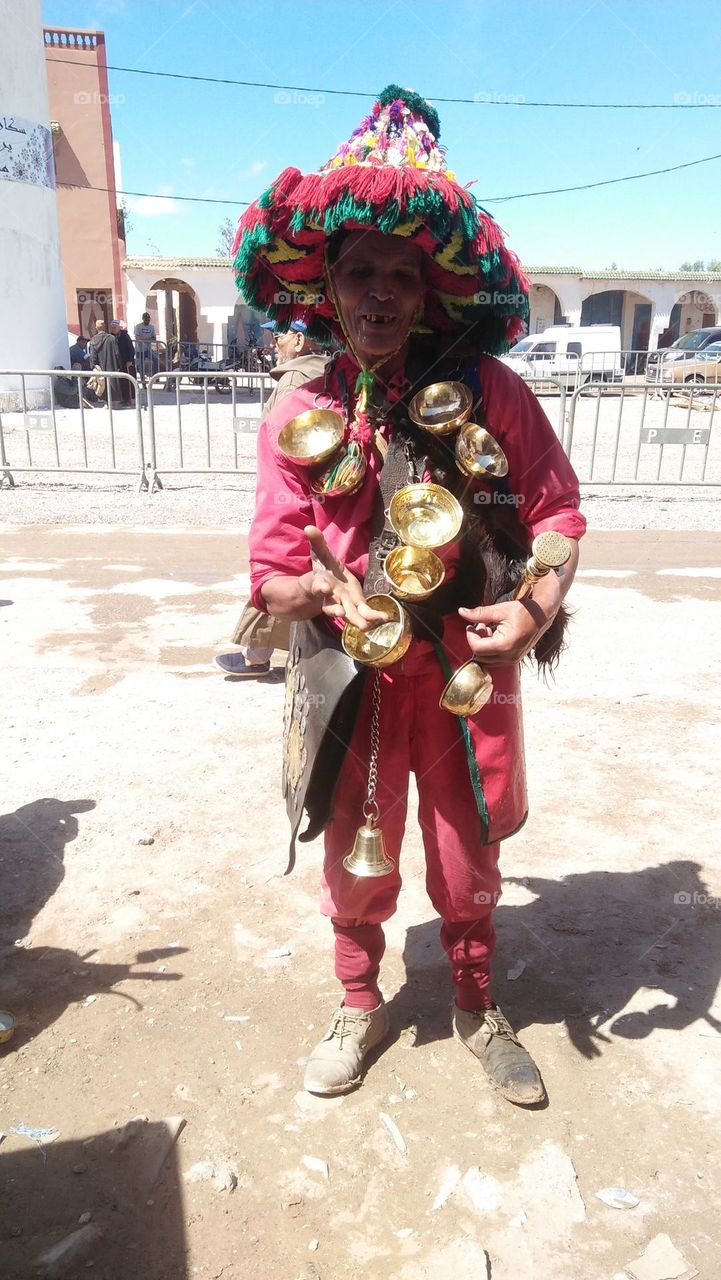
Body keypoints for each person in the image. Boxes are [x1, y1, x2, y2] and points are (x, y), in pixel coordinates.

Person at [234, 85, 586, 1106]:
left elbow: (558, 513)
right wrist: (309, 592)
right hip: (349, 669)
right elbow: (267, 564)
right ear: (327, 289)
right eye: (359, 273)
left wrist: (530, 610)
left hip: (466, 666)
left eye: (401, 273)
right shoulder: (299, 410)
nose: (379, 292)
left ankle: (476, 1003)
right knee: (356, 842)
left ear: (429, 290)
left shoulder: (491, 394)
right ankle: (358, 998)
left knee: (464, 846)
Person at [215, 320, 331, 677]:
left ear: (298, 339)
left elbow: (282, 445)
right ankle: (260, 652)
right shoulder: (324, 375)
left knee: (278, 572)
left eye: (278, 334)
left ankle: (257, 656)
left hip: (294, 494)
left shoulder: (295, 382)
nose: (274, 342)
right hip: (314, 496)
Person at [87, 320, 121, 405]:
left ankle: (106, 403)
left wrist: (94, 365)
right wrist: (119, 364)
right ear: (105, 327)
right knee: (113, 382)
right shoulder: (112, 338)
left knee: (103, 383)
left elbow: (93, 356)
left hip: (100, 366)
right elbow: (117, 353)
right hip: (112, 364)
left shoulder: (93, 340)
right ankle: (115, 403)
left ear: (96, 328)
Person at [110, 320, 136, 406]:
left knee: (128, 381)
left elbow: (131, 349)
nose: (113, 329)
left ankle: (129, 399)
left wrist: (130, 360)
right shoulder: (111, 337)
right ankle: (122, 398)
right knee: (120, 381)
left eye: (115, 327)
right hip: (118, 363)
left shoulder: (125, 336)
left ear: (118, 327)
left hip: (127, 362)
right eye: (112, 328)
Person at [134, 311, 158, 383]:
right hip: (139, 350)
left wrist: (144, 339)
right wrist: (147, 339)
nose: (147, 321)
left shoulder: (151, 327)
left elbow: (154, 338)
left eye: (148, 319)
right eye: (146, 319)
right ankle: (142, 380)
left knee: (156, 360)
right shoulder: (138, 326)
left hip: (148, 349)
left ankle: (155, 376)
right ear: (143, 319)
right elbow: (137, 337)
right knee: (141, 366)